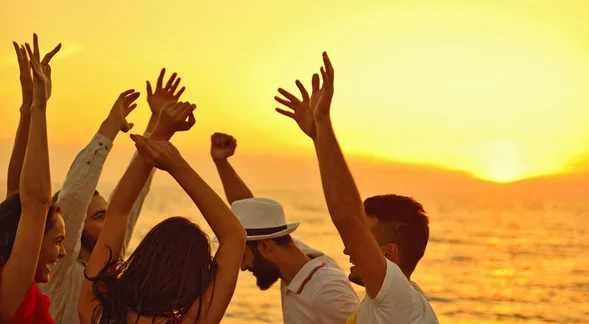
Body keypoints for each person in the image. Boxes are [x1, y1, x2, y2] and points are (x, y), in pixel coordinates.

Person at [275, 52, 439, 324]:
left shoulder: (397, 301)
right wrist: (318, 136)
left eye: (363, 239)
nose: (348, 250)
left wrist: (323, 123)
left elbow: (347, 218)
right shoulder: (394, 305)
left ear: (388, 254)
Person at [79, 101, 247, 323]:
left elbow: (118, 211)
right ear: (191, 283)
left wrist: (162, 131)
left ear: (143, 257)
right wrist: (178, 166)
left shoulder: (98, 314)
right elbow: (234, 237)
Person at [38, 69, 184, 324]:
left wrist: (156, 127)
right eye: (98, 216)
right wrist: (108, 129)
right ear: (74, 230)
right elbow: (73, 198)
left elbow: (130, 202)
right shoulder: (58, 274)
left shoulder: (109, 266)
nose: (109, 223)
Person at [210, 133, 359, 323]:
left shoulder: (328, 293)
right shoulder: (290, 254)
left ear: (265, 246)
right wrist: (221, 162)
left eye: (243, 257)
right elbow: (246, 208)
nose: (242, 267)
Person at [0, 34, 65, 323]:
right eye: (58, 240)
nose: (61, 253)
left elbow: (17, 191)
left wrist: (28, 108)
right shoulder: (8, 293)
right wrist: (40, 107)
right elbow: (35, 202)